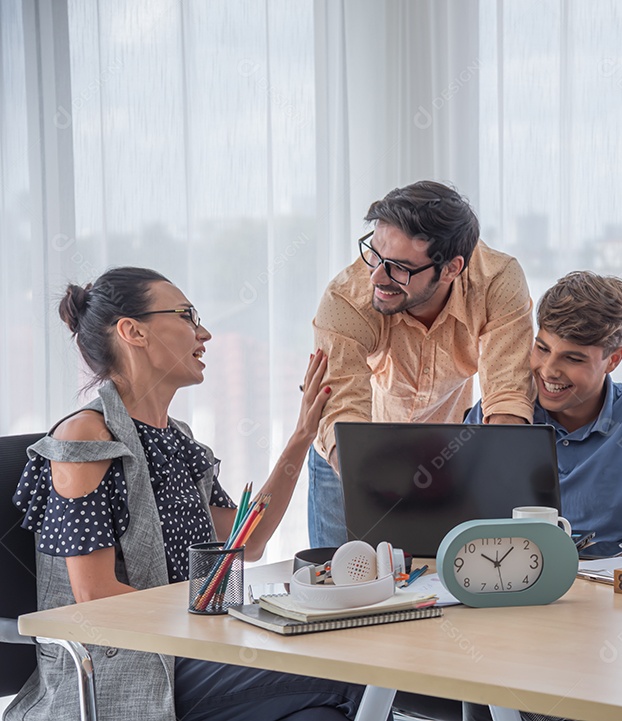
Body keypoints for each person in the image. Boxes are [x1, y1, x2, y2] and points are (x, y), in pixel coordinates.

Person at [7, 267, 449, 721]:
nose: (204, 332)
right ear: (132, 331)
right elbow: (95, 596)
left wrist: (302, 435)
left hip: (193, 653)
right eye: (185, 315)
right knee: (355, 670)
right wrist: (220, 625)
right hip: (129, 670)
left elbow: (247, 542)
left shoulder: (178, 439)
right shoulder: (85, 439)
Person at [309, 181, 534, 548]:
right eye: (375, 254)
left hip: (444, 453)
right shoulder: (346, 299)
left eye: (398, 268)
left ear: (451, 269)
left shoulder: (496, 281)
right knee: (343, 583)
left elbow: (507, 397)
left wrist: (497, 488)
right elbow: (341, 409)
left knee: (432, 585)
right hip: (349, 455)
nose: (377, 277)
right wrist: (371, 487)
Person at [465, 271, 622, 556]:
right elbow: (459, 512)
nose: (548, 370)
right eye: (542, 349)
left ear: (613, 360)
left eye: (572, 358)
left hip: (616, 585)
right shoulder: (502, 412)